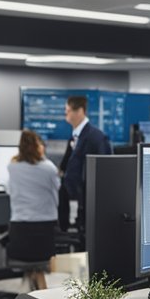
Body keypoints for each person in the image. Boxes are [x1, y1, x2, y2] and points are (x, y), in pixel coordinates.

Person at [6, 130, 60, 299]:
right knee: (40, 269)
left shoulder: (12, 167)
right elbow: (56, 190)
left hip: (19, 234)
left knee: (32, 270)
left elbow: (9, 191)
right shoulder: (48, 167)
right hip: (43, 233)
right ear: (38, 146)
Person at [58, 95, 111, 230]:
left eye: (68, 110)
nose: (66, 114)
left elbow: (105, 171)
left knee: (86, 242)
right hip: (74, 200)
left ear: (80, 111)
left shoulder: (95, 137)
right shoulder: (75, 136)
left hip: (88, 201)